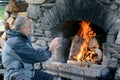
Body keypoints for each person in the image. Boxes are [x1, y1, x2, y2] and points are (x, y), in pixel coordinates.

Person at [2, 16, 59, 80]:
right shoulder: (16, 42)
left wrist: (48, 47)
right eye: (29, 26)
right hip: (15, 75)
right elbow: (35, 56)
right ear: (22, 28)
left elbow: (32, 51)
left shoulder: (21, 38)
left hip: (27, 72)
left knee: (53, 78)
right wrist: (50, 52)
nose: (31, 28)